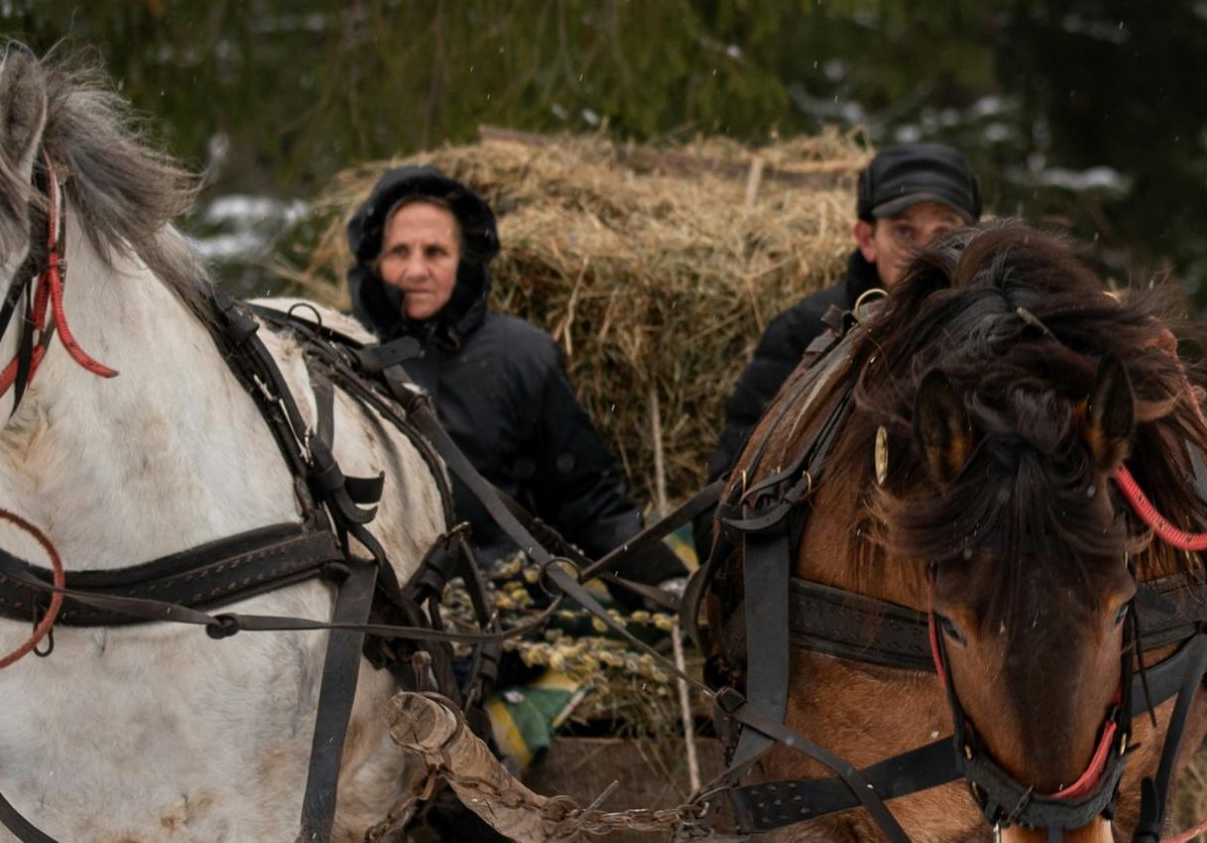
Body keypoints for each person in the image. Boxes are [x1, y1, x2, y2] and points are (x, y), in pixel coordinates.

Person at [346, 165, 647, 568]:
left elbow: (585, 493)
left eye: (435, 252)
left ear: (464, 261)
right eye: (400, 252)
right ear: (376, 262)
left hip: (498, 605)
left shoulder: (522, 355)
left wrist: (659, 580)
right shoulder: (339, 353)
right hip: (372, 600)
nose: (415, 271)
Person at [707, 142, 981, 483]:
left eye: (946, 234)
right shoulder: (803, 334)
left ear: (974, 241)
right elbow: (729, 496)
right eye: (903, 232)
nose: (926, 255)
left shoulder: (995, 345)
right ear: (867, 239)